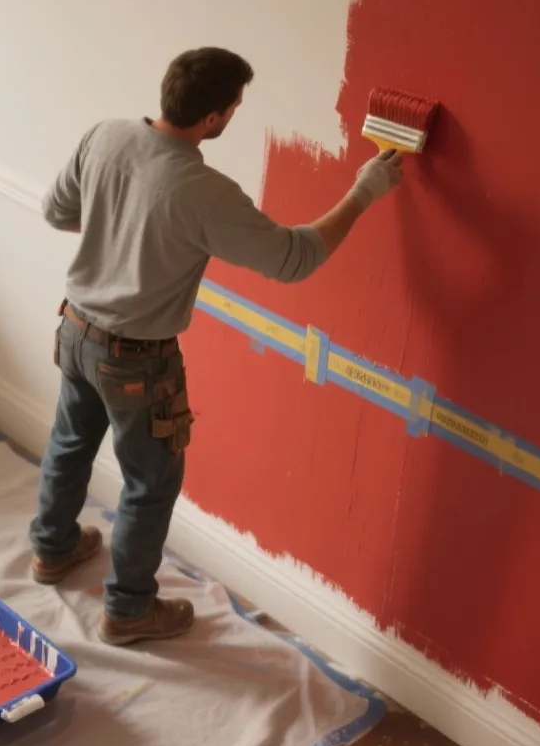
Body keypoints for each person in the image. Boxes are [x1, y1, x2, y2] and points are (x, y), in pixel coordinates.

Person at [29, 47, 404, 645]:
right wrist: (364, 189)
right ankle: (127, 611)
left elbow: (57, 211)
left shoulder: (105, 136)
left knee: (70, 442)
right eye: (233, 107)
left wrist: (123, 234)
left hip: (74, 330)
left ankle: (52, 550)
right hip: (135, 360)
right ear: (212, 118)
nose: (232, 114)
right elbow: (295, 258)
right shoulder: (203, 191)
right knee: (149, 483)